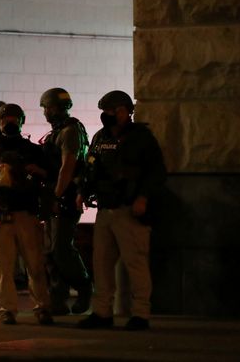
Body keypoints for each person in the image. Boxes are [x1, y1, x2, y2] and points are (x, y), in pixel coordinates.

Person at [77, 90, 166, 331]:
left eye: (115, 110)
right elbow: (91, 168)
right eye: (107, 111)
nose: (110, 115)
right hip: (105, 209)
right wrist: (82, 192)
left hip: (130, 209)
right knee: (102, 263)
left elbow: (156, 172)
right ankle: (102, 312)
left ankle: (141, 314)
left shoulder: (142, 138)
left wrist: (143, 198)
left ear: (127, 112)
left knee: (135, 262)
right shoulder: (100, 137)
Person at [0, 103, 53, 326]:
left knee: (35, 264)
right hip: (1, 214)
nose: (10, 122)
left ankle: (42, 306)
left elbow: (48, 177)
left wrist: (37, 172)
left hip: (27, 211)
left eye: (14, 118)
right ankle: (7, 309)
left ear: (21, 121)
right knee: (4, 267)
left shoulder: (32, 150)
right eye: (5, 118)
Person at [38, 88, 93, 315]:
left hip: (64, 198)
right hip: (54, 196)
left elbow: (67, 168)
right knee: (51, 250)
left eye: (48, 108)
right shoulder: (56, 133)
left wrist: (56, 196)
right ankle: (58, 298)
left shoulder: (70, 131)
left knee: (61, 249)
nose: (46, 113)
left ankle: (83, 287)